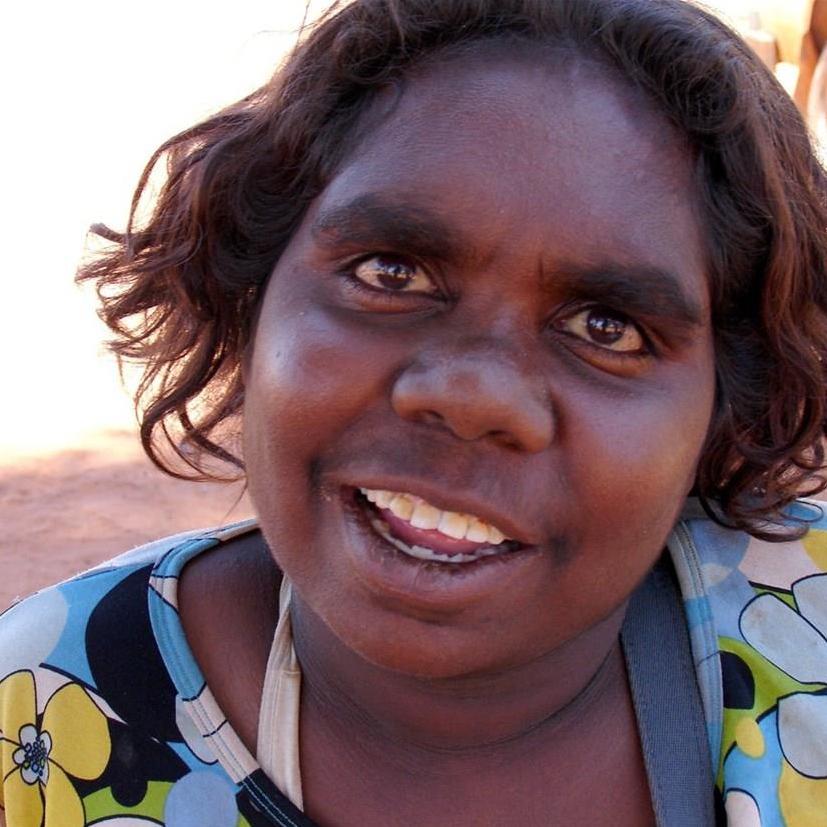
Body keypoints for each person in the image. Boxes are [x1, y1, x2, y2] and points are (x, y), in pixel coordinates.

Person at [2, 0, 827, 824]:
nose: (471, 396)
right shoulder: (39, 706)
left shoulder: (808, 624)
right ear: (250, 289)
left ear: (726, 406)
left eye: (605, 328)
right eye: (390, 273)